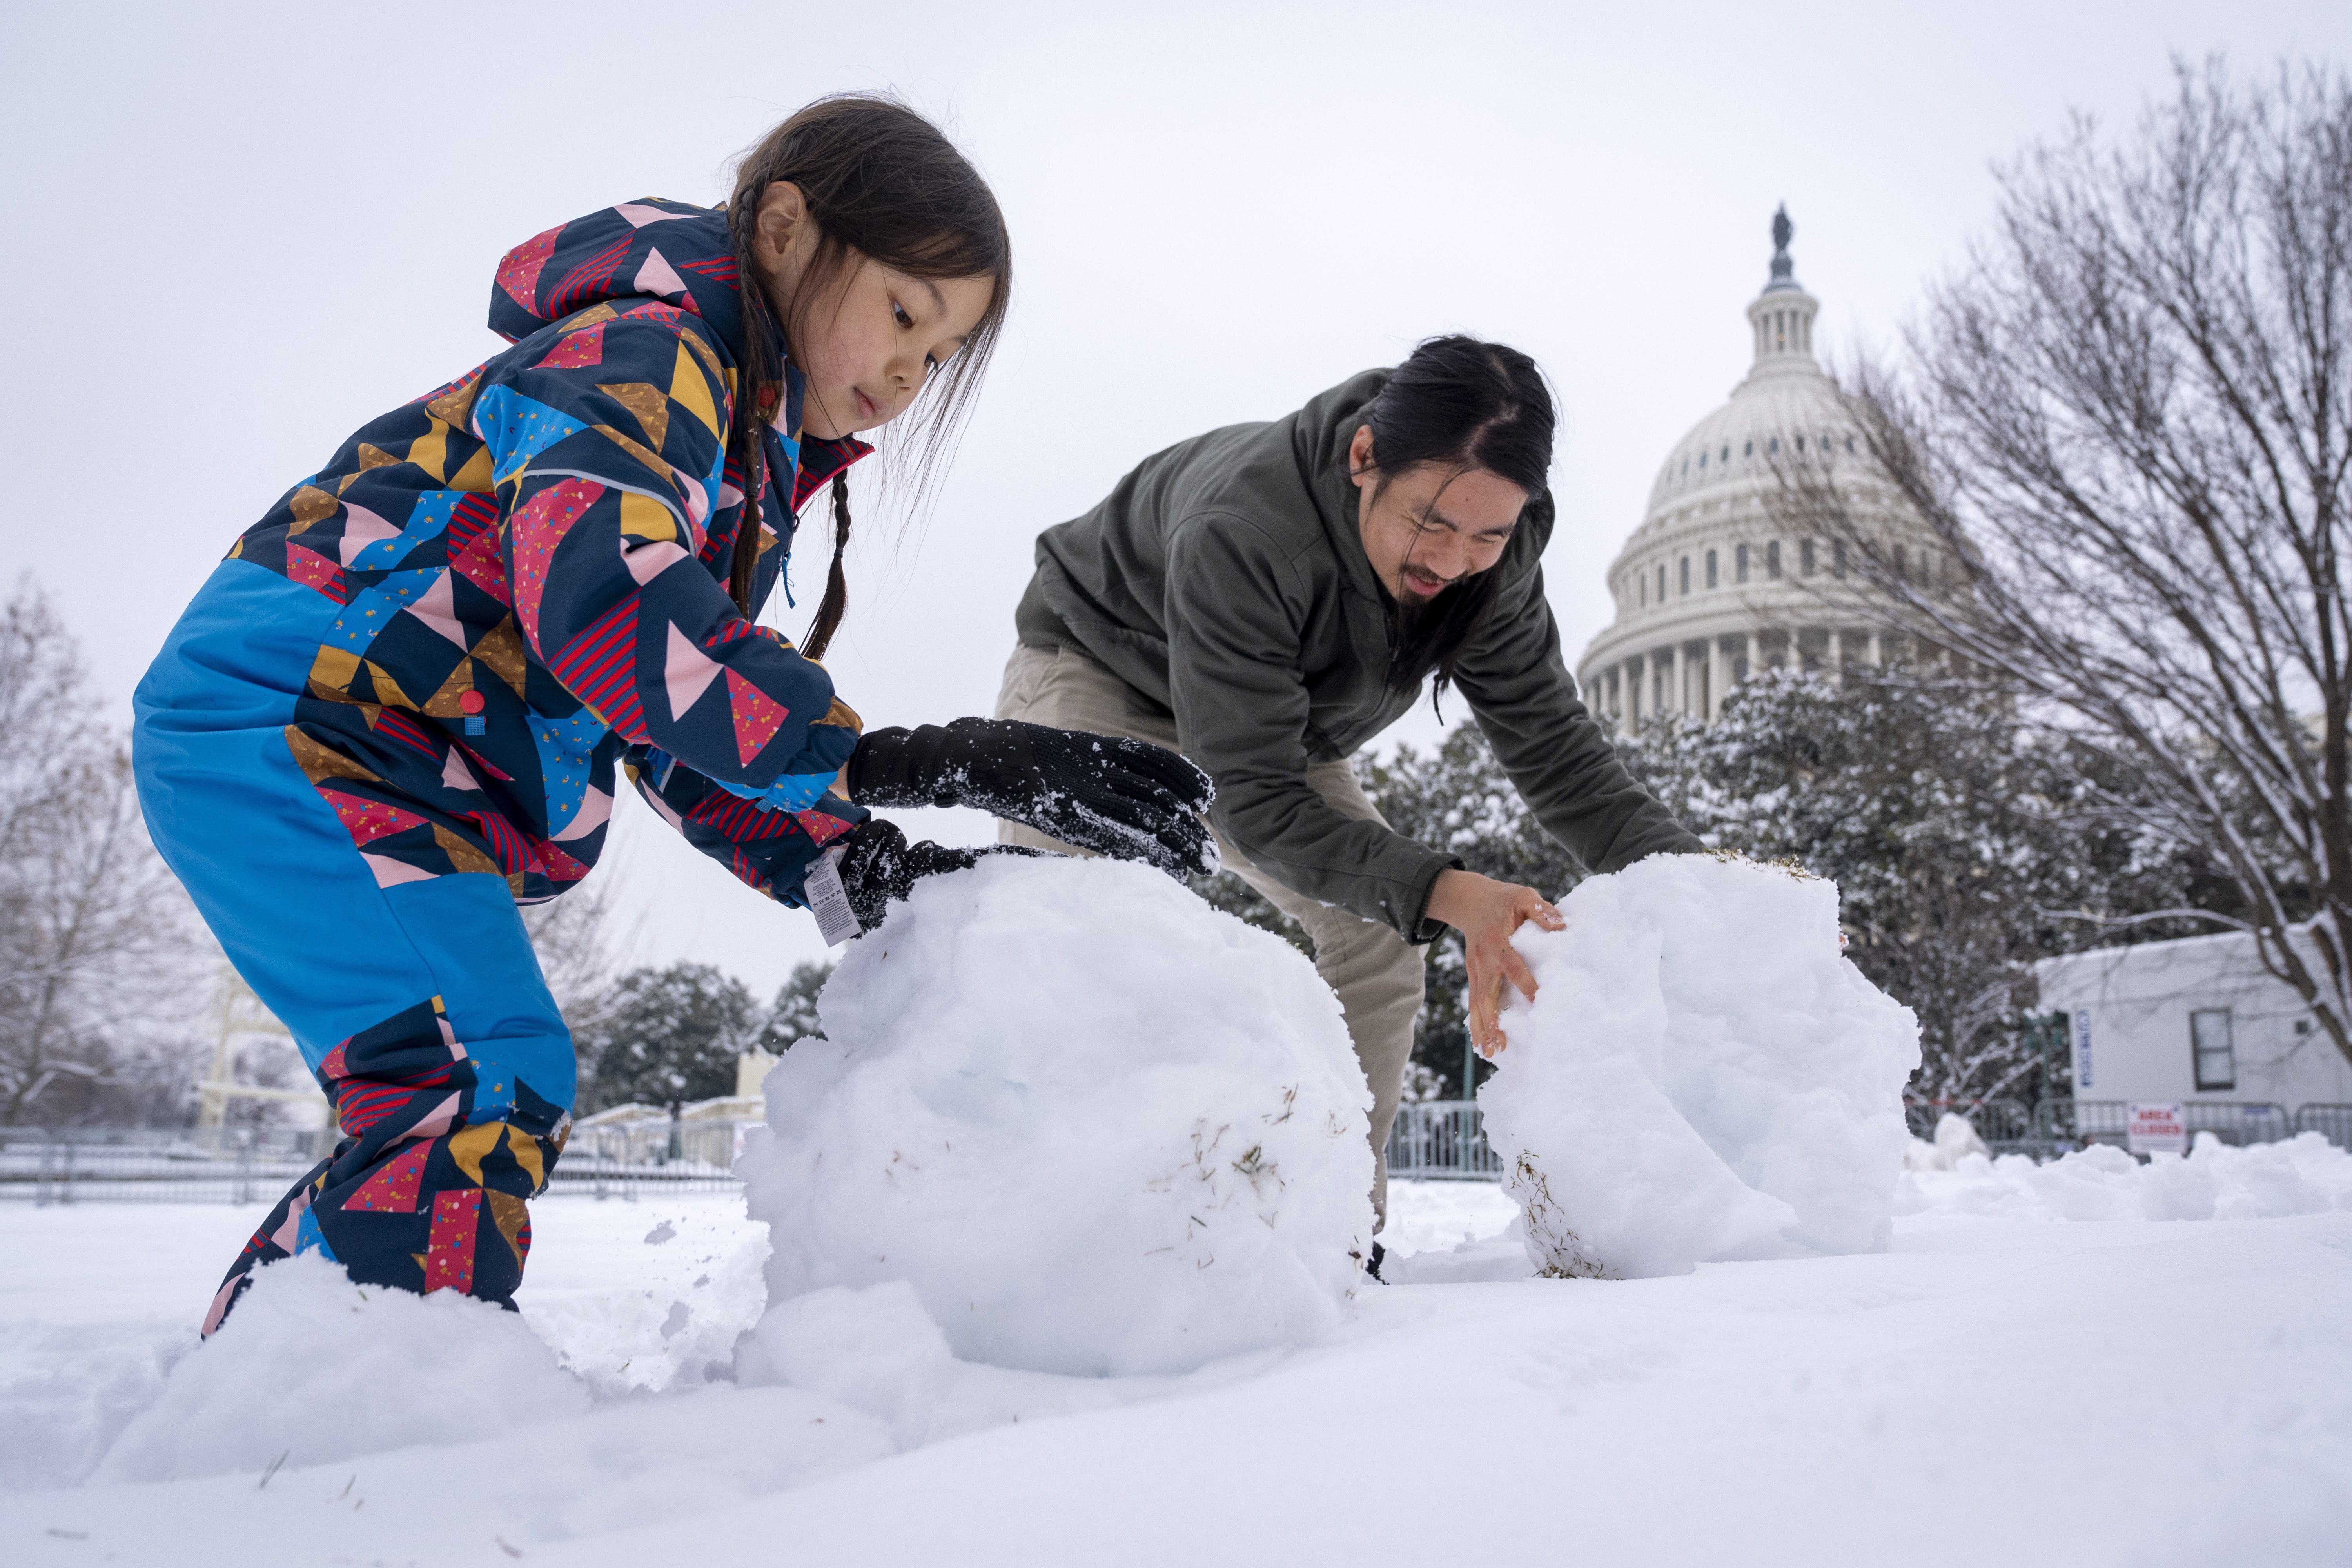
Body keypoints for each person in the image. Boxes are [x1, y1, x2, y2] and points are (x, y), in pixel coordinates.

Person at [134, 95, 1212, 1335]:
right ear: (786, 230)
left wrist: (855, 859)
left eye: (941, 354)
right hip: (294, 723)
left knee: (478, 1079)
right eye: (905, 314)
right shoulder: (641, 357)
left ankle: (300, 1383)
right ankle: (326, 1423)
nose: (911, 374)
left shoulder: (733, 461)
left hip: (373, 746)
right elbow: (610, 608)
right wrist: (909, 757)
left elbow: (665, 717)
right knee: (475, 1079)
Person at [994, 336, 1702, 1244]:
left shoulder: (1494, 557)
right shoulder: (1245, 528)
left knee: (1377, 931)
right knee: (1060, 939)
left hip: (1273, 715)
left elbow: (1558, 752)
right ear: (1364, 458)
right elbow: (1250, 797)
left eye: (1487, 533)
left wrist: (1713, 889)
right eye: (1431, 523)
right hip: (1106, 668)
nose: (1452, 561)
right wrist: (1450, 890)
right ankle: (1038, 1240)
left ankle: (1333, 1239)